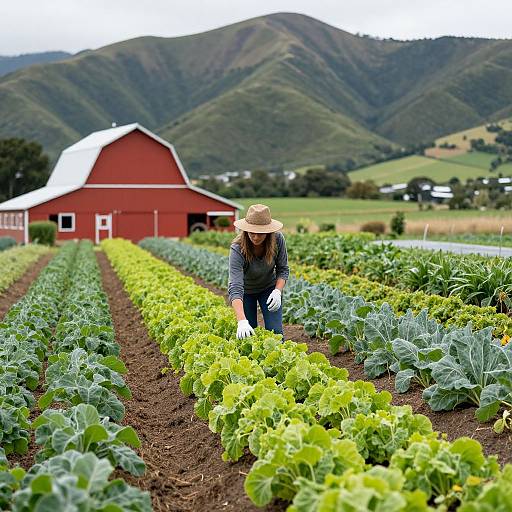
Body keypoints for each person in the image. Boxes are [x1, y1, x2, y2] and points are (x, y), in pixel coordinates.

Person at [228, 204, 289, 339]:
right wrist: (241, 321)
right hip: (246, 293)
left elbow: (283, 269)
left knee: (275, 333)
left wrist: (277, 291)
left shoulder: (277, 240)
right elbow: (235, 287)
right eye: (251, 232)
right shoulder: (237, 248)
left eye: (260, 233)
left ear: (268, 232)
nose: (255, 237)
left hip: (268, 289)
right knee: (248, 335)